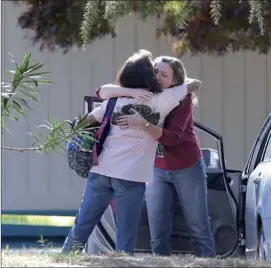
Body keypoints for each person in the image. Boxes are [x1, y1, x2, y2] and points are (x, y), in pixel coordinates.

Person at [61, 49, 202, 255]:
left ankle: (64, 259)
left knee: (81, 227)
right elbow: (194, 85)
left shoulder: (113, 101)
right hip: (131, 177)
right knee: (125, 237)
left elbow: (90, 116)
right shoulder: (162, 98)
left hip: (101, 171)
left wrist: (127, 92)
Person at [109, 56, 216, 257]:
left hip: (186, 166)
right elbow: (103, 92)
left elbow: (172, 139)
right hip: (156, 168)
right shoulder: (145, 91)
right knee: (157, 232)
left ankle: (208, 262)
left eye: (164, 74)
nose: (157, 76)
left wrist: (143, 124)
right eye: (156, 70)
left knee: (198, 227)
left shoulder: (182, 100)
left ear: (175, 83)